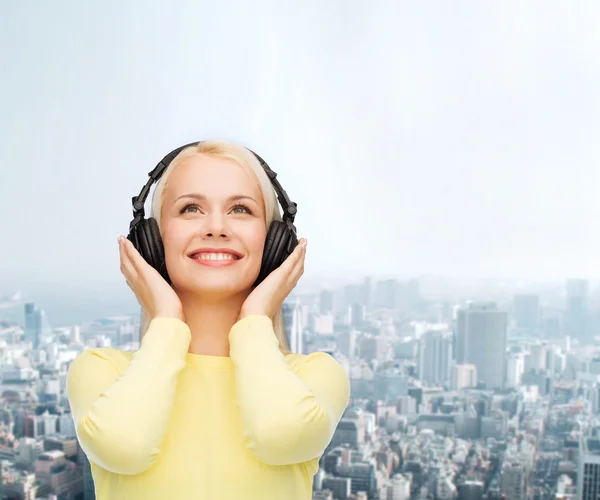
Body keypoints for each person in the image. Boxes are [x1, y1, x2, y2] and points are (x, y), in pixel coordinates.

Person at [66, 140, 351, 500]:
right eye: (190, 209)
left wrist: (255, 317)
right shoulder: (101, 371)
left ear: (276, 242)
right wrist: (167, 319)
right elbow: (126, 445)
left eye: (241, 210)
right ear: (151, 240)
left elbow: (279, 433)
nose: (216, 227)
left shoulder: (314, 377)